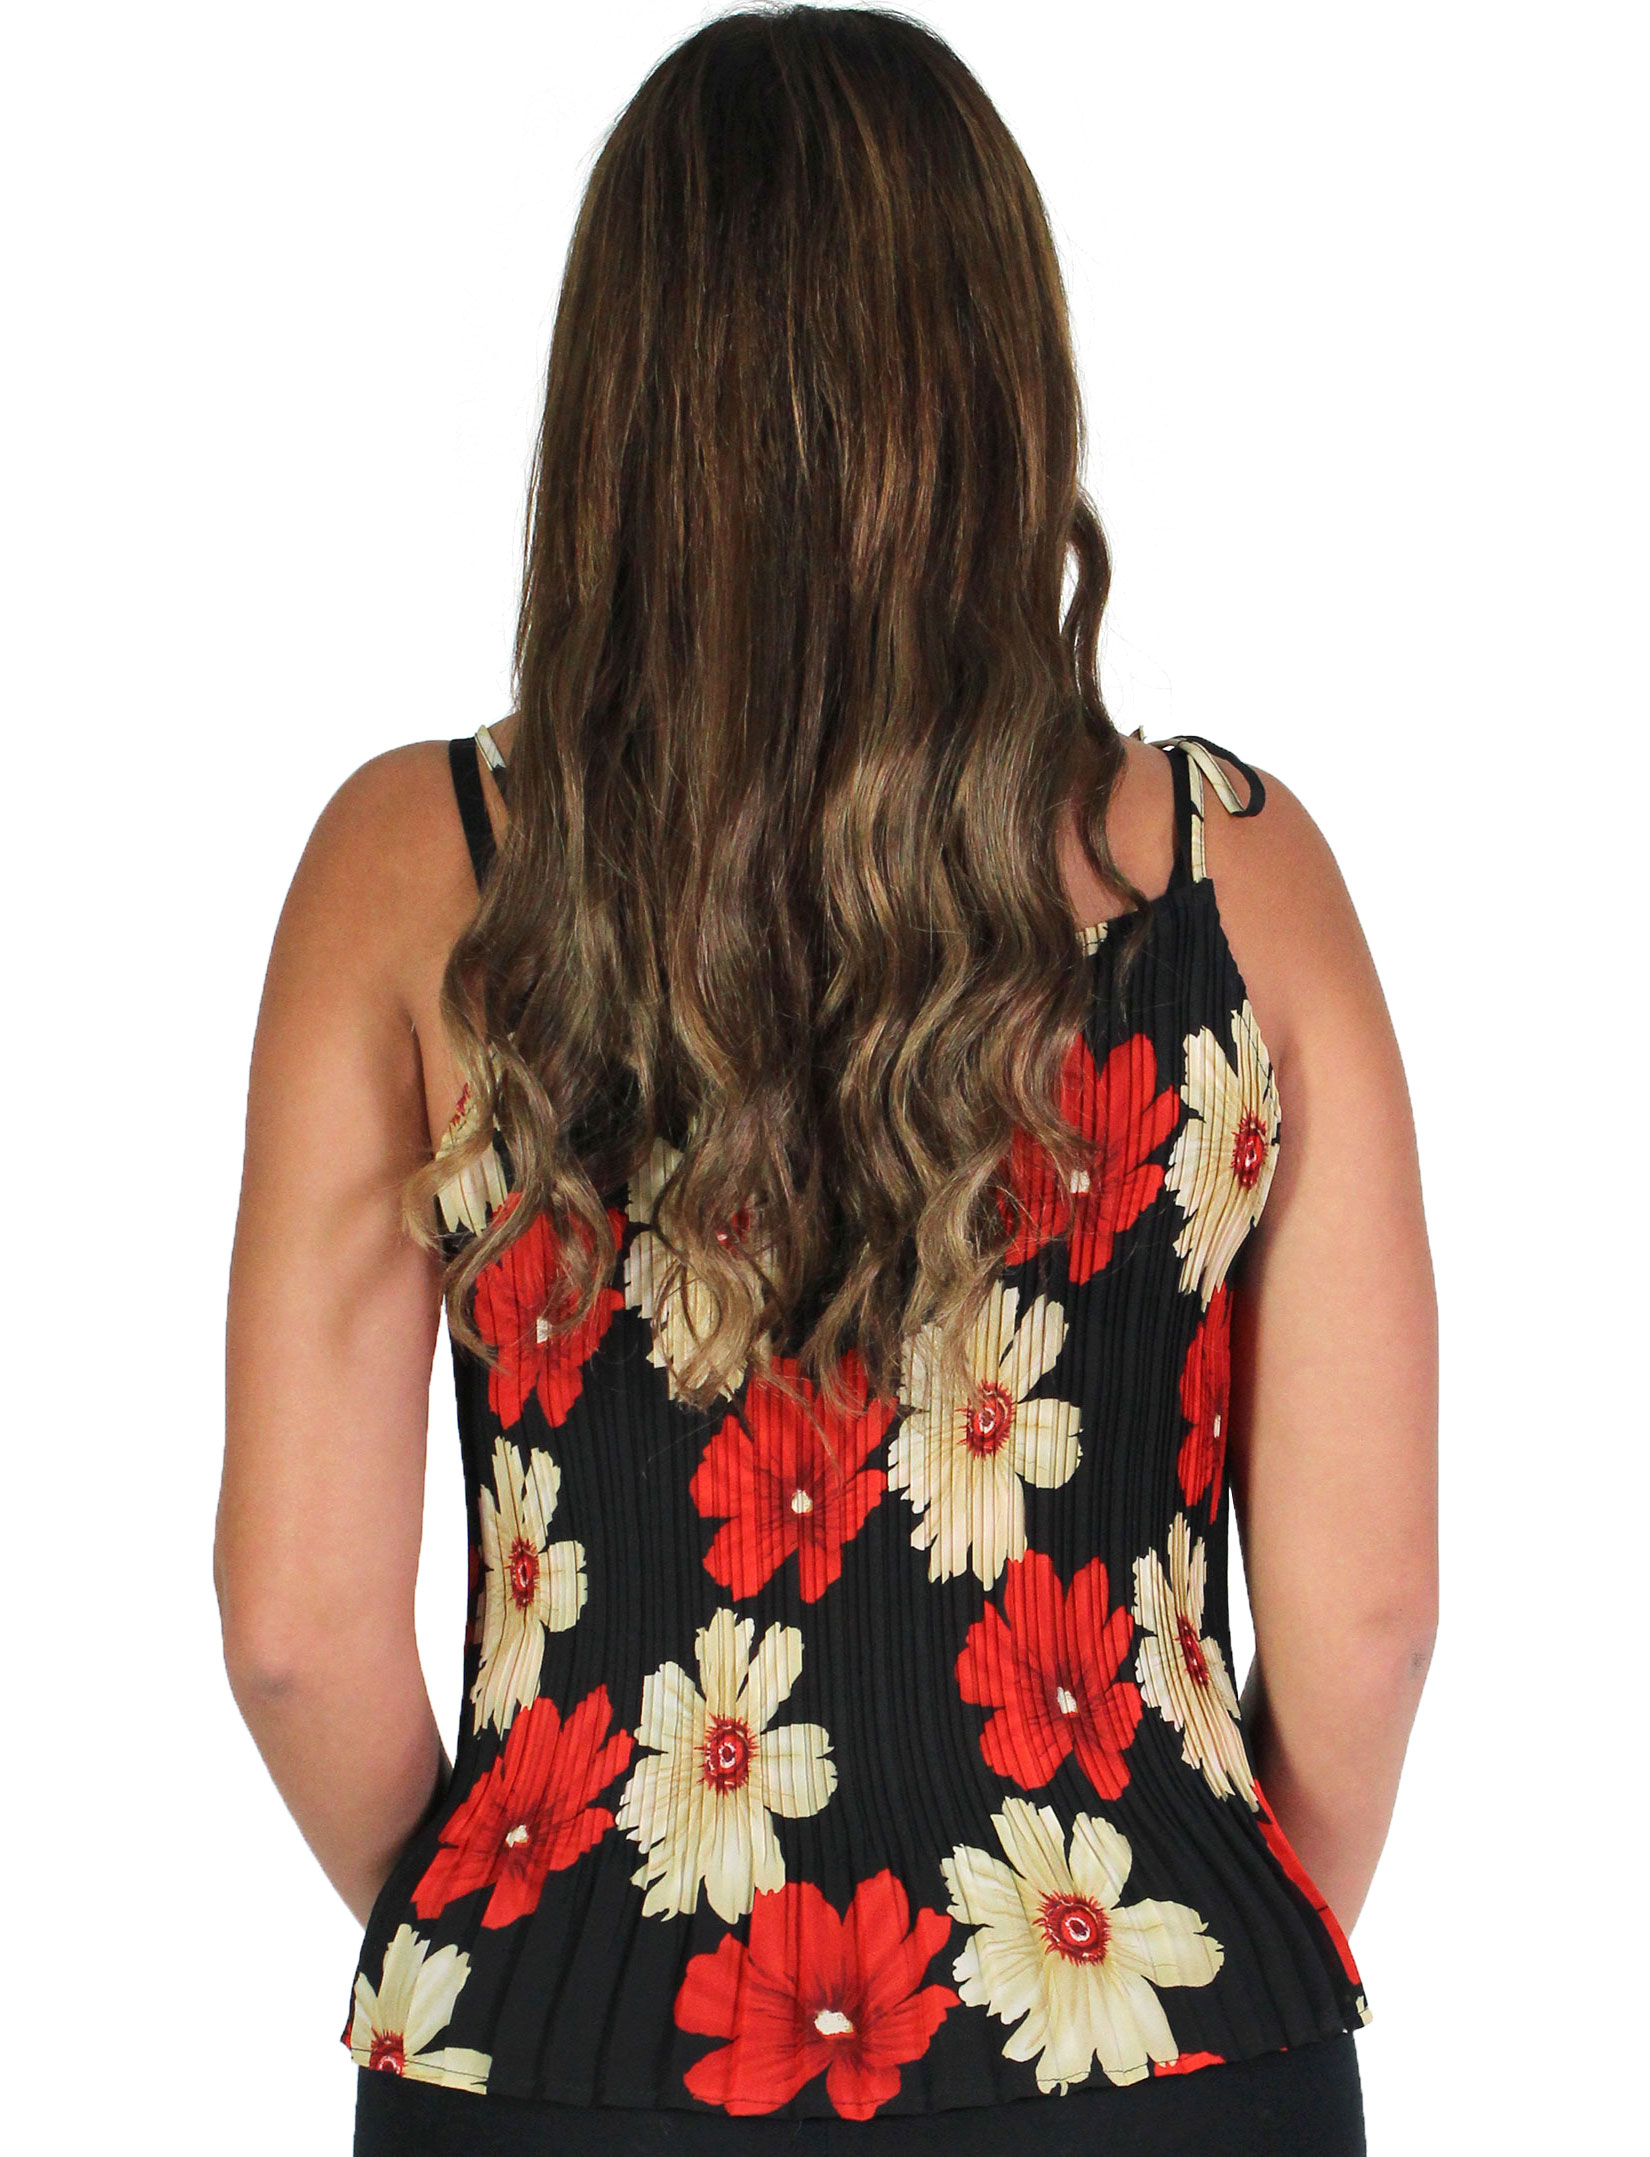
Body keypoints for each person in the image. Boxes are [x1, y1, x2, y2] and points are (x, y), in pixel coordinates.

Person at [216, 11, 1437, 2154]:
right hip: (1162, 2059)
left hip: (569, 2060)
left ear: (621, 405)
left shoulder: (417, 869)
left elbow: (297, 1635)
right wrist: (1194, 1947)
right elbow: (1370, 1615)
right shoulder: (1239, 876)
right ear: (1002, 383)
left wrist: (535, 1927)